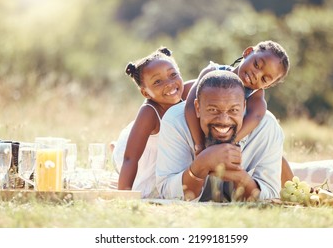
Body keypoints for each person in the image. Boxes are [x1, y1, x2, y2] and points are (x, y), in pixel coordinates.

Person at [156, 70, 284, 202]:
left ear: (244, 106)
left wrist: (239, 177)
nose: (224, 120)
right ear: (198, 108)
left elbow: (271, 196)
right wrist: (201, 165)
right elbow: (167, 193)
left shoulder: (267, 127)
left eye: (233, 110)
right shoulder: (175, 120)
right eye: (213, 110)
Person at [184, 40, 294, 187]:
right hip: (201, 132)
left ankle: (296, 188)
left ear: (268, 85)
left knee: (275, 155)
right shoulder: (212, 73)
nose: (256, 75)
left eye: (264, 79)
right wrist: (199, 145)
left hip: (229, 139)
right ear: (247, 53)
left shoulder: (256, 97)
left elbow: (256, 117)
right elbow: (190, 107)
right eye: (256, 65)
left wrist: (228, 143)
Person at [112, 47, 192, 198]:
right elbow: (131, 158)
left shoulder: (188, 91)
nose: (169, 84)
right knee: (147, 187)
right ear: (145, 92)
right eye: (157, 82)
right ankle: (114, 149)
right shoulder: (149, 112)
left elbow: (212, 79)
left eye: (173, 74)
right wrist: (123, 197)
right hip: (137, 156)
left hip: (166, 153)